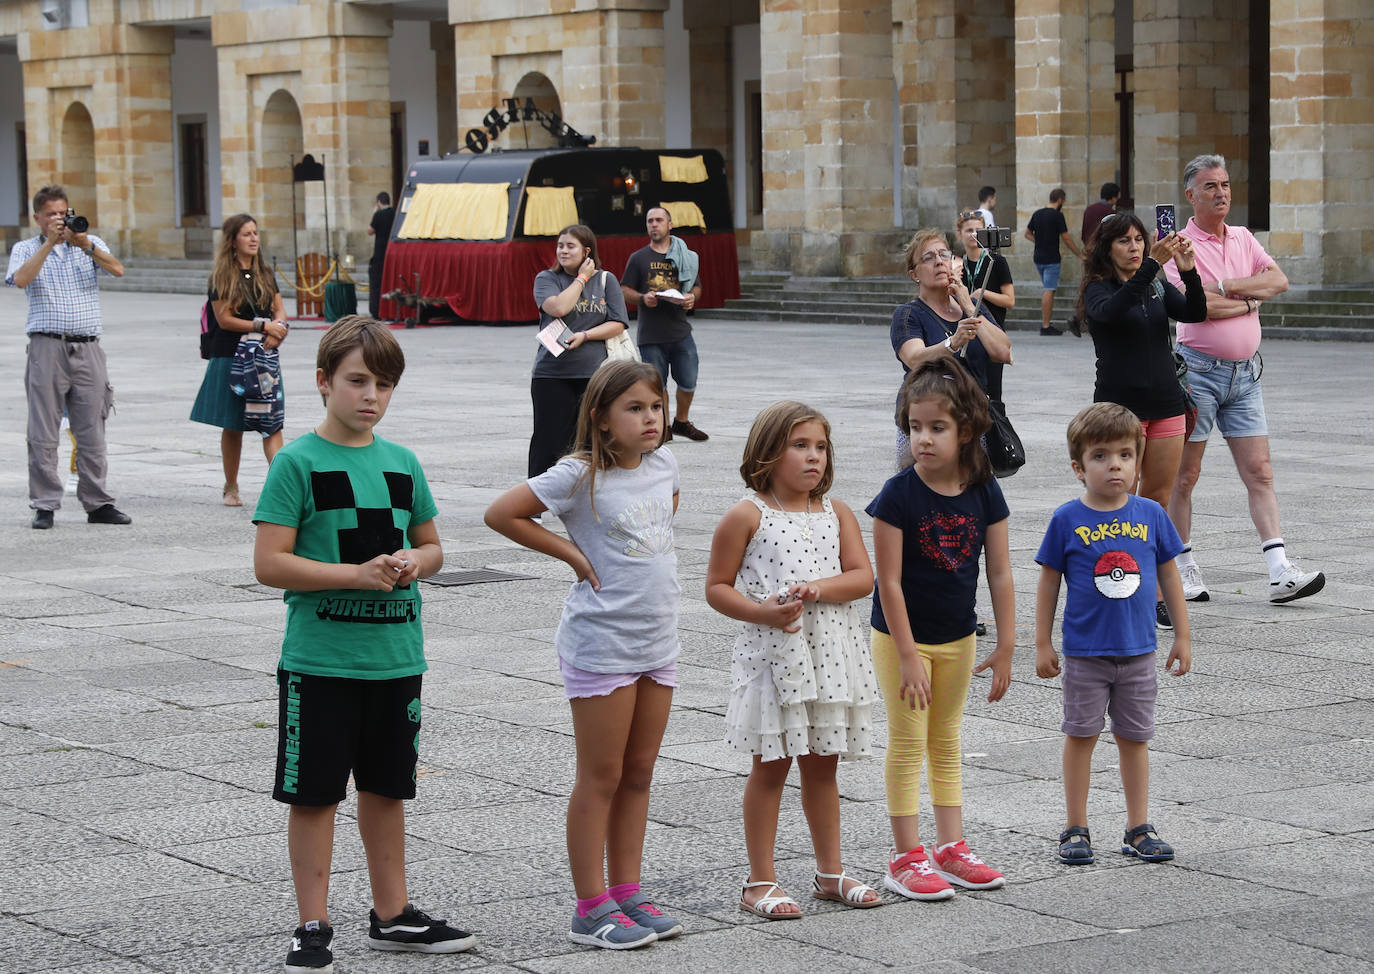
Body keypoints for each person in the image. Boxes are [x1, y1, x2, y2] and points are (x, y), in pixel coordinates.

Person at [252, 315, 475, 973]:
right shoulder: (295, 463)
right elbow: (270, 563)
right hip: (320, 661)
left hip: (395, 658)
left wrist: (414, 561)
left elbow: (433, 546)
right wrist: (352, 575)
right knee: (314, 793)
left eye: (383, 383)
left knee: (386, 788)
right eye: (356, 381)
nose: (370, 395)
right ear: (323, 382)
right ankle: (311, 922)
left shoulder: (403, 463)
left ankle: (392, 912)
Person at [484, 361, 684, 951]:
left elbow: (663, 516)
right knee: (602, 774)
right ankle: (589, 905)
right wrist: (573, 555)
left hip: (658, 641)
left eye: (656, 407)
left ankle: (627, 891)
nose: (650, 419)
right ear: (600, 417)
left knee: (640, 773)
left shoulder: (666, 463)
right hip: (602, 645)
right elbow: (502, 513)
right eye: (635, 409)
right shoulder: (577, 475)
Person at [705, 401, 880, 919]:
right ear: (767, 452)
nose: (814, 458)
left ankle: (831, 871)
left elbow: (862, 577)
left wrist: (817, 588)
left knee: (823, 767)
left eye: (821, 447)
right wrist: (763, 611)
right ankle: (760, 880)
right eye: (799, 445)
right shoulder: (747, 515)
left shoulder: (836, 512)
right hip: (775, 658)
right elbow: (716, 587)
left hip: (830, 655)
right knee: (771, 767)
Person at [866, 358, 1015, 901]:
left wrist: (1005, 643)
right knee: (908, 743)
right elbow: (889, 582)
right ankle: (906, 857)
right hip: (902, 639)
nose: (923, 439)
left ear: (966, 430)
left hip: (958, 636)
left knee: (946, 740)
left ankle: (952, 848)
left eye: (936, 428)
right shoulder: (897, 495)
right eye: (914, 428)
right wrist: (906, 654)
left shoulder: (983, 491)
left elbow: (999, 570)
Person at [1163, 153, 1324, 606]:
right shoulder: (1178, 246)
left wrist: (1231, 288)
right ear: (1191, 194)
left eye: (1226, 185)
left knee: (1260, 471)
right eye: (1211, 186)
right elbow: (1195, 307)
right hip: (1197, 374)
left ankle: (1279, 570)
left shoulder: (1243, 237)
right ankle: (1184, 567)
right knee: (1186, 475)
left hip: (1245, 375)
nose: (1221, 193)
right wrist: (1249, 299)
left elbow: (1279, 281)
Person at [1034, 402, 1191, 867]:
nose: (1115, 465)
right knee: (1080, 736)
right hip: (1085, 654)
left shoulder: (1151, 515)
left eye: (1125, 455)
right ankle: (1075, 826)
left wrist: (1182, 634)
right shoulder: (1067, 519)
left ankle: (1138, 826)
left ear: (1138, 461)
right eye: (1101, 456)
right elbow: (1048, 582)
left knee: (1135, 738)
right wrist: (1042, 642)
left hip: (1140, 651)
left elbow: (1170, 576)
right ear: (1078, 467)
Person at [1077, 212, 1207, 629]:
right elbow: (1113, 313)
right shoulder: (1098, 290)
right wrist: (1153, 262)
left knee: (1155, 500)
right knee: (1117, 496)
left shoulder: (1155, 284)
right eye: (1125, 241)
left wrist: (1188, 272)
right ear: (1106, 248)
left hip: (1166, 404)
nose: (1134, 248)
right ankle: (1112, 576)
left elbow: (1194, 313)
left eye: (1139, 240)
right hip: (1119, 412)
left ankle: (1149, 591)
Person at [7, 184, 131, 529]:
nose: (59, 220)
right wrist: (49, 243)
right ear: (37, 218)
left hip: (88, 346)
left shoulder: (88, 244)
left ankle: (98, 503)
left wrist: (86, 245)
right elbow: (20, 280)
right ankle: (45, 504)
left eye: (63, 213)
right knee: (43, 428)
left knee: (92, 427)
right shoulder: (25, 248)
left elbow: (118, 271)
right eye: (51, 215)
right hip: (47, 346)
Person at [889, 228, 1012, 467]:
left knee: (972, 494)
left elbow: (1003, 351)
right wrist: (952, 343)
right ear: (914, 274)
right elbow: (914, 358)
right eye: (928, 258)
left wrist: (966, 303)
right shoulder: (908, 314)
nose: (938, 262)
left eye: (944, 255)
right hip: (927, 423)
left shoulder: (973, 305)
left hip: (970, 419)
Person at [191, 213, 291, 506]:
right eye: (247, 234)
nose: (254, 239)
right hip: (232, 356)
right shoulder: (222, 275)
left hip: (263, 358)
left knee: (271, 423)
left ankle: (283, 488)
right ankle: (231, 486)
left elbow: (280, 310)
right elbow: (224, 319)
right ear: (233, 240)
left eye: (256, 233)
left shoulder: (265, 273)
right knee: (232, 424)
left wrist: (279, 329)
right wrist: (263, 326)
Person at [528, 224, 630, 477]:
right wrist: (581, 279)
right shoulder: (547, 279)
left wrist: (586, 335)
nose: (563, 251)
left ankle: (584, 495)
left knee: (589, 439)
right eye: (560, 246)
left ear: (586, 251)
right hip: (551, 374)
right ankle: (535, 503)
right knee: (547, 440)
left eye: (570, 246)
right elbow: (559, 308)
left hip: (594, 374)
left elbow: (618, 323)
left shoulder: (606, 280)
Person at [620, 206, 707, 441]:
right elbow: (624, 289)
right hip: (651, 335)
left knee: (688, 381)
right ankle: (664, 428)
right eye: (650, 221)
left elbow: (696, 286)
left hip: (680, 331)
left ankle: (682, 421)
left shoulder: (684, 256)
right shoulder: (638, 258)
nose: (654, 225)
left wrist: (691, 298)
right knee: (657, 386)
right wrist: (642, 298)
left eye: (659, 220)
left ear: (670, 225)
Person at [957, 211, 1015, 404]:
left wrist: (981, 293)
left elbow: (1009, 300)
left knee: (993, 395)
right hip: (964, 334)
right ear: (960, 234)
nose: (974, 234)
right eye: (969, 230)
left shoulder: (996, 261)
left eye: (978, 230)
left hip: (992, 332)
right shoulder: (957, 264)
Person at [1024, 188, 1084, 336]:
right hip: (1052, 258)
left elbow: (1027, 233)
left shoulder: (1038, 213)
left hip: (1038, 257)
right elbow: (1066, 238)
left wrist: (1039, 241)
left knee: (1048, 289)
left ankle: (1046, 324)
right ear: (1060, 200)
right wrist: (1079, 254)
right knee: (1049, 290)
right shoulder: (1058, 216)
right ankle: (1045, 326)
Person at [366, 192, 395, 319]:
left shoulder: (378, 214)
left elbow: (370, 231)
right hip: (391, 252)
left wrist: (374, 213)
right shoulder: (394, 213)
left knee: (376, 284)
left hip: (379, 253)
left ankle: (376, 311)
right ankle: (390, 310)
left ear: (379, 202)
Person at [1081, 182, 1121, 246]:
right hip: (1103, 250)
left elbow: (1083, 235)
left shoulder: (1089, 209)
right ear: (1113, 198)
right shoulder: (1111, 213)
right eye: (1117, 198)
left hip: (1089, 248)